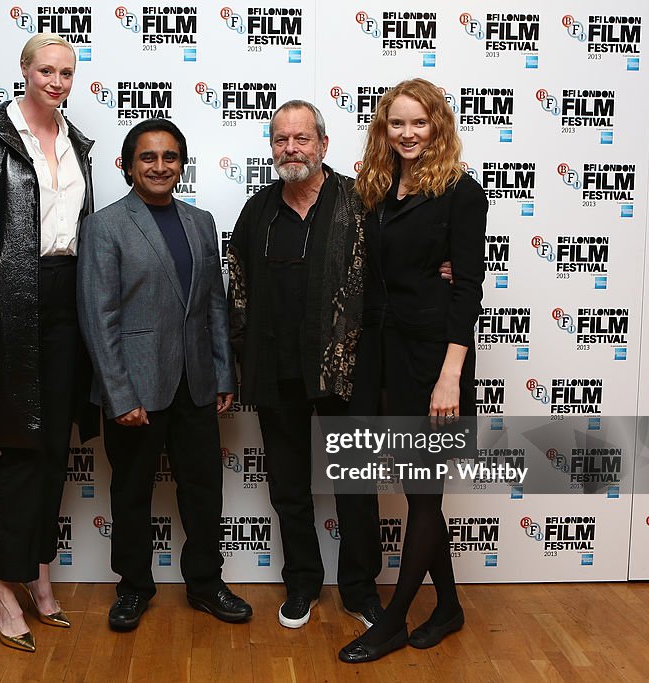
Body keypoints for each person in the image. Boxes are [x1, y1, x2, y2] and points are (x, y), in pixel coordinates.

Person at [0, 34, 98, 652]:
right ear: (24, 71)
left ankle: (40, 573)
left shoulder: (78, 141)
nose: (57, 82)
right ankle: (5, 583)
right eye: (47, 71)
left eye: (67, 72)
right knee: (22, 447)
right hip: (6, 306)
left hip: (67, 302)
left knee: (55, 445)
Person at [77, 119, 252, 632]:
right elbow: (98, 316)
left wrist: (224, 374)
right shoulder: (105, 226)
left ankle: (205, 584)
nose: (160, 166)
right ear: (127, 165)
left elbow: (213, 305)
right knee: (131, 494)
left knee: (204, 492)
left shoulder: (201, 222)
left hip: (196, 386)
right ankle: (132, 588)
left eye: (170, 157)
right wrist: (118, 393)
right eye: (148, 157)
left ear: (181, 164)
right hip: (136, 390)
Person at [338, 78, 487, 663]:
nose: (407, 134)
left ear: (438, 126)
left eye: (419, 123)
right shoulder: (375, 190)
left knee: (424, 494)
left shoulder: (460, 192)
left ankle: (395, 619)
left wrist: (451, 374)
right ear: (384, 127)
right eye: (397, 123)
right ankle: (447, 606)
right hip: (381, 356)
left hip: (431, 360)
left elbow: (468, 288)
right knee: (415, 487)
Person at [226, 100, 385, 630]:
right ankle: (302, 583)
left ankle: (361, 589)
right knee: (288, 487)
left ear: (323, 144)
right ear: (271, 148)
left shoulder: (359, 202)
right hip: (276, 370)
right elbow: (239, 290)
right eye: (280, 140)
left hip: (346, 369)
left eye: (301, 138)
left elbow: (393, 274)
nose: (290, 148)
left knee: (356, 485)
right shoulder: (257, 210)